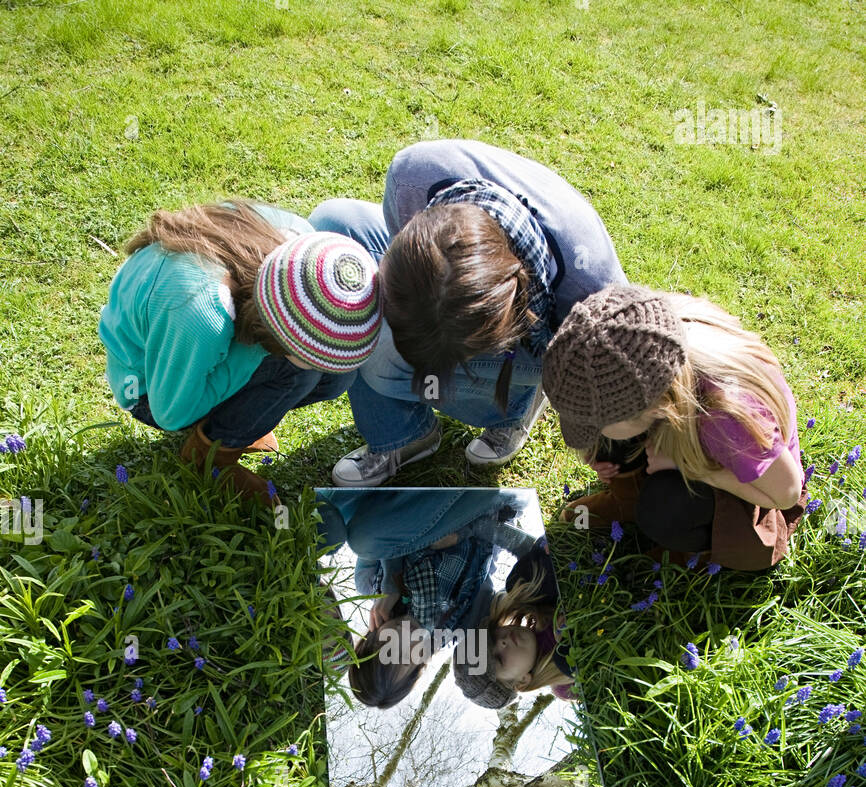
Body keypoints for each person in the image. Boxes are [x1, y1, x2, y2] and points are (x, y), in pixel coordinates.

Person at [309, 139, 626, 486]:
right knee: (333, 227)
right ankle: (404, 435)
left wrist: (602, 447)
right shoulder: (413, 178)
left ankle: (516, 407)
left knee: (378, 350)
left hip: (544, 339)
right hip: (473, 290)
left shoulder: (593, 298)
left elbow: (615, 387)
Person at [98, 202, 382, 503]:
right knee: (298, 376)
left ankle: (234, 424)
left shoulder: (304, 250)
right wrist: (255, 359)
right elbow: (171, 413)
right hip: (148, 383)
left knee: (334, 377)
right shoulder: (202, 316)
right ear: (272, 330)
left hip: (194, 343)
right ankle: (208, 458)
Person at [543, 285, 807, 569]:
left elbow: (787, 494)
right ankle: (626, 501)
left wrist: (692, 469)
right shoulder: (644, 335)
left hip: (756, 488)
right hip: (694, 428)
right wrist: (600, 449)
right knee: (610, 436)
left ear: (659, 408)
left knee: (663, 508)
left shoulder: (725, 416)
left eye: (593, 426)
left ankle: (698, 549)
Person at [321, 491, 537, 708]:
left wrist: (390, 582)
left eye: (385, 644)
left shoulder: (369, 584)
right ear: (419, 666)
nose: (400, 637)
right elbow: (526, 560)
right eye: (405, 656)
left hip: (422, 501)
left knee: (362, 538)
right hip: (482, 508)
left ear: (371, 636)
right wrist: (466, 531)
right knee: (362, 538)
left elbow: (379, 534)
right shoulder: (464, 626)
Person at [453, 539, 576, 708]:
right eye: (499, 658)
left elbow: (554, 540)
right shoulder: (565, 682)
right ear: (522, 681)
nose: (502, 641)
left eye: (493, 637)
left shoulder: (526, 588)